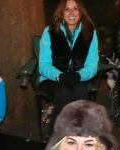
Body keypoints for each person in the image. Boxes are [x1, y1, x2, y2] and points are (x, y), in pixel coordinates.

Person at [38, 0, 100, 131]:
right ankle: (56, 134)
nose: (71, 12)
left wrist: (79, 75)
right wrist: (59, 76)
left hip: (79, 77)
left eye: (75, 9)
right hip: (52, 79)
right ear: (61, 13)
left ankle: (79, 133)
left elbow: (92, 64)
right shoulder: (49, 32)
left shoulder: (90, 32)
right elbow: (43, 65)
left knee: (80, 90)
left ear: (81, 12)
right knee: (64, 92)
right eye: (67, 9)